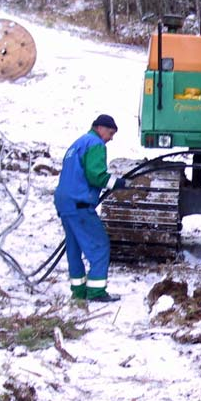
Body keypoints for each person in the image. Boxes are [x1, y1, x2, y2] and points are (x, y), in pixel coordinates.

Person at [54, 114, 127, 302]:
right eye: (110, 133)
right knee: (100, 246)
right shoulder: (95, 144)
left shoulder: (77, 144)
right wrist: (117, 183)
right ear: (100, 128)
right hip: (80, 204)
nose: (111, 138)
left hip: (65, 203)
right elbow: (95, 175)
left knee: (74, 247)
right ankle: (96, 292)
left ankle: (78, 292)